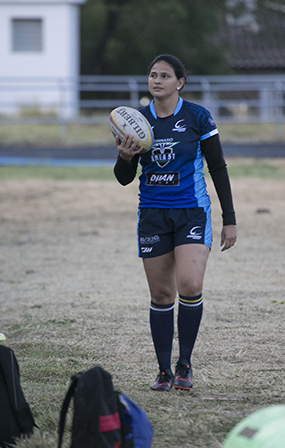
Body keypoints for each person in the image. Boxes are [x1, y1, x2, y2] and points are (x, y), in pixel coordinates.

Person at [114, 54, 237, 392]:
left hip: (191, 212)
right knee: (162, 293)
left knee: (190, 285)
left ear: (179, 82)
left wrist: (230, 219)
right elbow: (124, 178)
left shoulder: (198, 117)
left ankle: (185, 364)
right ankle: (163, 371)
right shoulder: (136, 121)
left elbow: (218, 168)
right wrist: (125, 157)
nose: (156, 81)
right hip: (153, 213)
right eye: (152, 75)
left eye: (164, 76)